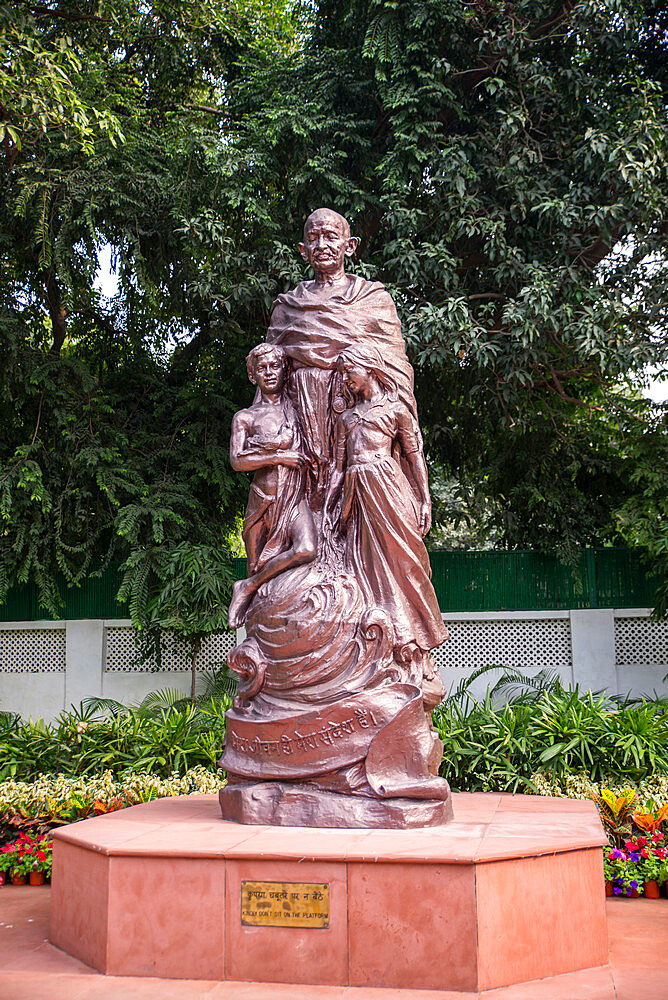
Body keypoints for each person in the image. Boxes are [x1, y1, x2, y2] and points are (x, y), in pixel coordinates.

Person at [266, 208, 425, 510]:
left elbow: (396, 368)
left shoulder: (372, 299)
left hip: (360, 422)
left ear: (348, 246)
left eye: (330, 237)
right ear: (303, 250)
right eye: (313, 239)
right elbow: (269, 376)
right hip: (303, 422)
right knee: (308, 509)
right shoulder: (287, 308)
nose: (321, 245)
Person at [323, 344, 448, 655]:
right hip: (359, 496)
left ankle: (418, 634)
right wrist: (329, 505)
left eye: (349, 372)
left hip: (389, 489)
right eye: (341, 375)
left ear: (369, 368)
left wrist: (424, 498)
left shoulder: (395, 411)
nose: (345, 380)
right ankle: (382, 634)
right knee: (366, 564)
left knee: (405, 559)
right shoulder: (347, 418)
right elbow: (339, 468)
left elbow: (414, 456)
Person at [228, 344, 316, 628]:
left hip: (293, 499)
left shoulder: (298, 410)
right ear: (253, 376)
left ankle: (246, 586)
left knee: (306, 549)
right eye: (261, 368)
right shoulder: (246, 417)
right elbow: (237, 461)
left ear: (284, 369)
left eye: (274, 366)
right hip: (263, 501)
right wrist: (278, 456)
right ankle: (260, 633)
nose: (269, 373)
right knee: (257, 564)